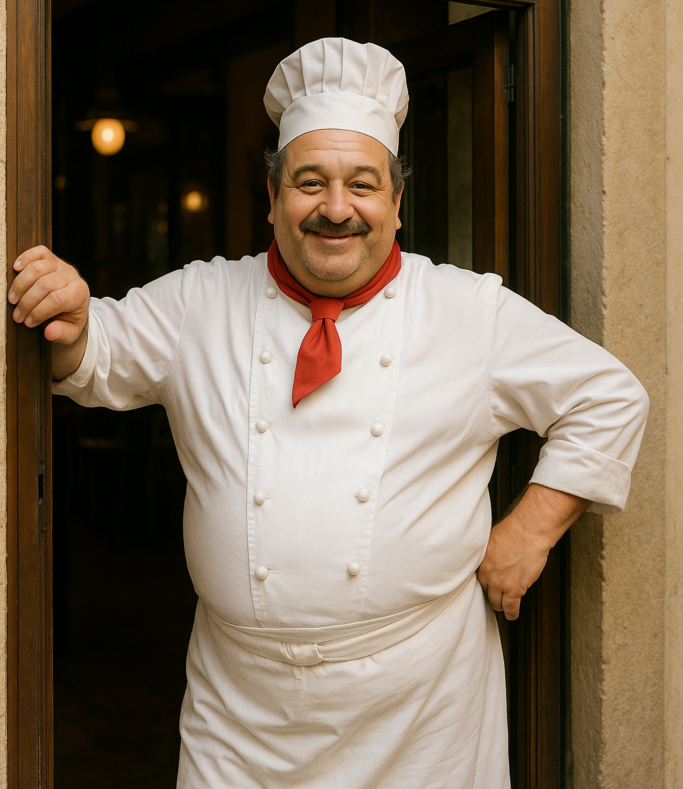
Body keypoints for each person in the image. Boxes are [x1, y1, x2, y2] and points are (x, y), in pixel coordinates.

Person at [9, 38, 648, 789]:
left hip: (418, 711)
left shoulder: (468, 310)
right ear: (273, 194)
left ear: (397, 202)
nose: (337, 209)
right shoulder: (199, 300)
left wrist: (530, 529)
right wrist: (67, 314)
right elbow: (91, 356)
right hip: (239, 712)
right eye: (310, 183)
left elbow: (607, 395)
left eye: (363, 185)